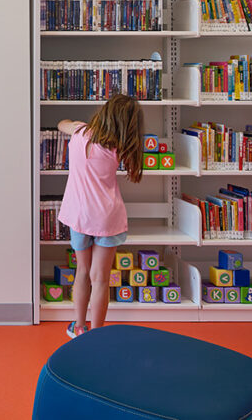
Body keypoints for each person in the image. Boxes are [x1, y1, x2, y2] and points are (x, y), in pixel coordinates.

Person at [55, 94, 144, 338]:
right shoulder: (120, 147)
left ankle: (79, 326)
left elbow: (62, 124)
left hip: (79, 215)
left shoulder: (79, 132)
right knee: (101, 278)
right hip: (107, 217)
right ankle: (96, 334)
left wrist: (73, 124)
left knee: (82, 272)